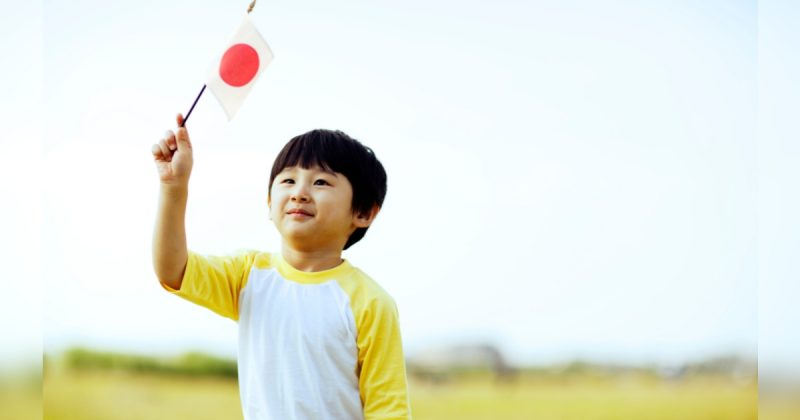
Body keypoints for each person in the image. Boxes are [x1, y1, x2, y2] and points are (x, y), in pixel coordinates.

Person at [151, 114, 411, 420]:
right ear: (269, 202)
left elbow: (387, 408)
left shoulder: (370, 302)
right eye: (288, 180)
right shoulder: (249, 274)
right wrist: (173, 186)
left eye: (321, 182)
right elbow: (172, 269)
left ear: (364, 212)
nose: (299, 192)